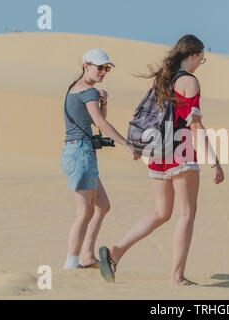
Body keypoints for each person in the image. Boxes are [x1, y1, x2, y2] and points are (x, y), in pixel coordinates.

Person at [98, 35, 225, 286]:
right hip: (181, 152)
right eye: (202, 58)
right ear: (193, 56)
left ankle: (117, 251)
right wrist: (214, 161)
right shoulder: (189, 81)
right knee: (186, 214)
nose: (201, 62)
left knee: (160, 212)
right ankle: (177, 277)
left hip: (157, 153)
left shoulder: (161, 78)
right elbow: (196, 124)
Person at [61, 48, 140, 269]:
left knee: (102, 206)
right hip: (80, 153)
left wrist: (104, 104)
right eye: (100, 67)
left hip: (78, 152)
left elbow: (97, 119)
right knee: (84, 211)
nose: (104, 72)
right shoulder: (87, 92)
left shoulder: (76, 89)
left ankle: (86, 256)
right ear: (86, 65)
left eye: (107, 68)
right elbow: (101, 124)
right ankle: (71, 263)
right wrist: (126, 144)